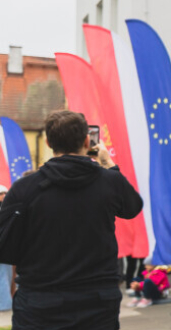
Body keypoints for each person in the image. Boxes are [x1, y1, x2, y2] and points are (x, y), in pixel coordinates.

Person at [6, 110, 143, 329]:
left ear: (49, 142)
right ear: (87, 140)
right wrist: (108, 164)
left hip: (40, 303)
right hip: (96, 302)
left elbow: (6, 247)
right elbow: (133, 207)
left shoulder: (25, 189)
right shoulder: (109, 182)